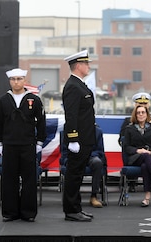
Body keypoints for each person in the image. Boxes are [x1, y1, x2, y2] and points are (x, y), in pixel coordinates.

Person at [0, 68, 46, 222]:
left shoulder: (34, 100)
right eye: (13, 79)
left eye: (19, 79)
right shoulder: (3, 101)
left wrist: (40, 142)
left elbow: (41, 122)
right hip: (9, 146)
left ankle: (28, 212)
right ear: (10, 81)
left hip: (28, 145)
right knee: (9, 180)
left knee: (29, 180)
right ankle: (10, 212)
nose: (16, 82)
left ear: (24, 80)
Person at [62, 50, 96, 222]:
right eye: (86, 63)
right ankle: (71, 210)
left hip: (86, 139)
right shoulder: (73, 87)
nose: (89, 66)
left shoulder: (80, 85)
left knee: (78, 175)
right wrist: (73, 138)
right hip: (79, 140)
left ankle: (76, 208)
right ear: (79, 65)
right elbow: (71, 115)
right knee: (74, 175)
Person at [122, 105, 151, 207]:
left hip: (150, 158)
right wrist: (138, 150)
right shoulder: (129, 129)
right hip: (135, 158)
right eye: (138, 113)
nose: (141, 114)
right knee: (144, 156)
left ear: (147, 114)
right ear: (135, 115)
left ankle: (147, 198)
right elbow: (126, 147)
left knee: (145, 166)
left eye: (143, 112)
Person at [118, 92, 151, 192]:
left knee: (146, 163)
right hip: (135, 155)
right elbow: (122, 141)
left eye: (145, 105)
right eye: (140, 105)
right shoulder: (128, 122)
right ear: (135, 106)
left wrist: (150, 151)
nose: (143, 108)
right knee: (144, 156)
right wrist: (138, 150)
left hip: (150, 154)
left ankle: (149, 190)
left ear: (149, 105)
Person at [60, 124, 107, 208]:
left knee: (98, 162)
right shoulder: (69, 130)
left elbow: (100, 151)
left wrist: (86, 154)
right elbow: (65, 151)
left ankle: (94, 196)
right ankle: (73, 197)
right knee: (73, 164)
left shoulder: (97, 131)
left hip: (91, 156)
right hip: (73, 156)